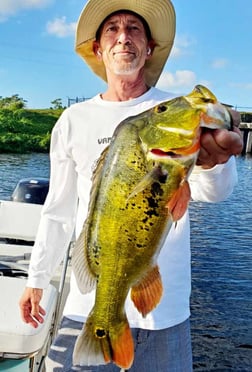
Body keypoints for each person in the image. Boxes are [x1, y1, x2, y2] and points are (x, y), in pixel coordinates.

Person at [19, 0, 243, 371]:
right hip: (86, 309)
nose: (124, 37)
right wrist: (37, 279)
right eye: (113, 29)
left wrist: (212, 161)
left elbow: (214, 192)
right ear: (98, 48)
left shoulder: (177, 112)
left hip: (165, 315)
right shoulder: (73, 120)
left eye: (135, 29)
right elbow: (57, 211)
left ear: (149, 48)